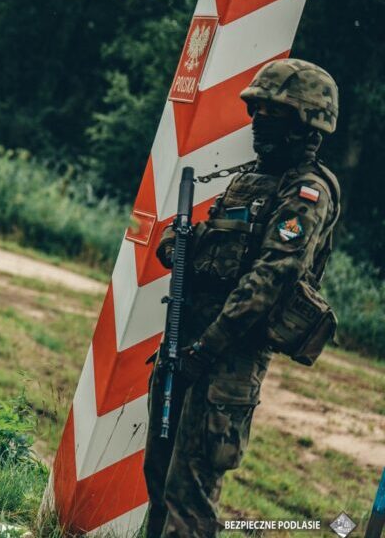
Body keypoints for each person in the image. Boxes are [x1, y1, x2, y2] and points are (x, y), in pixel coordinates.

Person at [143, 58, 341, 536]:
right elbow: (215, 244)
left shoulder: (306, 194)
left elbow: (270, 278)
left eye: (275, 114)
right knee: (159, 477)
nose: (259, 122)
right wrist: (179, 243)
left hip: (226, 359)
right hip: (186, 343)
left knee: (190, 495)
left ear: (307, 124)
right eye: (257, 111)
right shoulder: (249, 179)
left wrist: (206, 349)